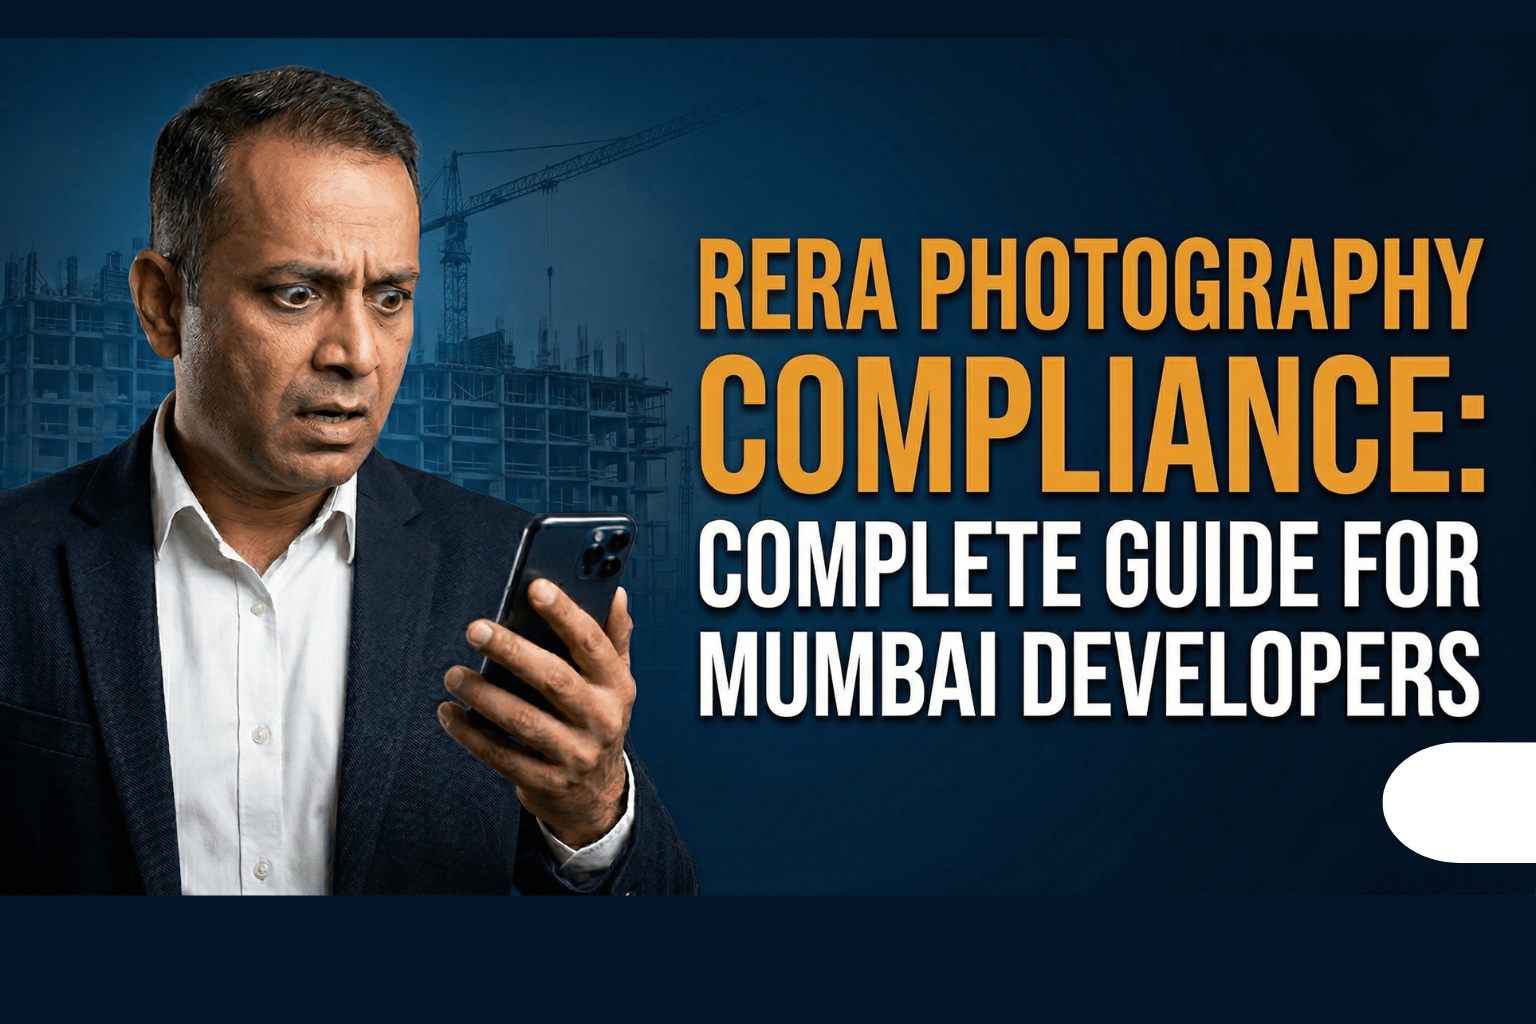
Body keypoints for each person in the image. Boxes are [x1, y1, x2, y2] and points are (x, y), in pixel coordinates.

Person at [0, 67, 699, 895]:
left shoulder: (497, 570)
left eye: (391, 297)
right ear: (161, 306)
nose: (356, 354)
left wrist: (593, 812)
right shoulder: (15, 565)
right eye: (297, 294)